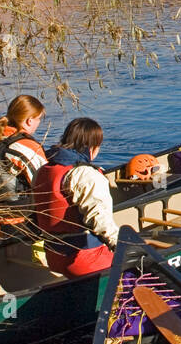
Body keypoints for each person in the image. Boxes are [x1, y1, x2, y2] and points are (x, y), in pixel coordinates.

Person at [33, 117, 121, 278]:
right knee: (134, 264)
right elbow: (100, 219)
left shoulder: (44, 170)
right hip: (85, 258)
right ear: (92, 147)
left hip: (55, 256)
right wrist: (122, 247)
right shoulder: (85, 174)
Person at [0, 95, 47, 199]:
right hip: (20, 211)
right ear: (30, 120)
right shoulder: (27, 145)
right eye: (39, 118)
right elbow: (46, 182)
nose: (39, 122)